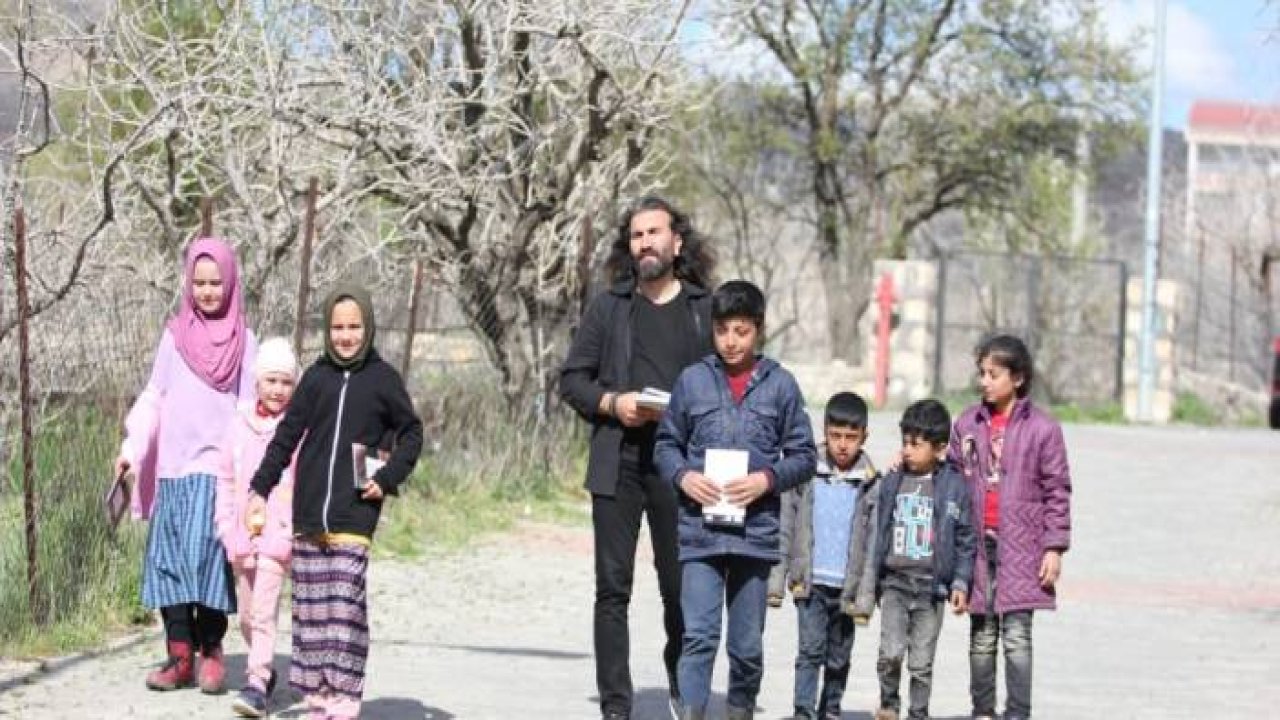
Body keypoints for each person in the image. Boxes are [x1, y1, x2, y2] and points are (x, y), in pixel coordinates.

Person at [559, 195, 716, 719]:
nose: (646, 242)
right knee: (612, 591)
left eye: (655, 232)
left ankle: (682, 687)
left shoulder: (703, 309)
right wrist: (613, 403)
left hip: (681, 468)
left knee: (679, 588)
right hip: (618, 462)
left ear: (677, 241)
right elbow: (572, 380)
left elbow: (725, 383)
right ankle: (615, 706)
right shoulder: (609, 307)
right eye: (637, 235)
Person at [247, 285, 423, 720]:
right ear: (327, 329)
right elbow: (287, 436)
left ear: (368, 327)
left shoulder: (383, 379)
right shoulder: (316, 378)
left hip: (354, 512)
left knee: (343, 613)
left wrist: (387, 478)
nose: (346, 336)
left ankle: (344, 699)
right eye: (338, 327)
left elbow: (412, 433)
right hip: (309, 515)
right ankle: (319, 697)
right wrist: (259, 488)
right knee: (312, 615)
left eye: (354, 326)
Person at [654, 279, 817, 720]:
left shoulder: (781, 386)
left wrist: (767, 479)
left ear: (758, 329)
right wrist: (684, 476)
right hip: (700, 534)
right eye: (722, 330)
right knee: (699, 636)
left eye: (741, 331)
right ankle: (692, 710)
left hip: (755, 536)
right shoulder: (692, 382)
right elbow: (666, 445)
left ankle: (740, 709)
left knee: (745, 646)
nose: (730, 341)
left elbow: (804, 455)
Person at [115, 237, 258, 694]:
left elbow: (249, 407)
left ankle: (211, 651)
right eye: (199, 283)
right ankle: (179, 655)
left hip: (217, 472)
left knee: (210, 559)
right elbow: (154, 397)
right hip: (172, 472)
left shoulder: (244, 341)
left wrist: (246, 471)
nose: (207, 291)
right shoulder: (174, 337)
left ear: (230, 283)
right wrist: (132, 448)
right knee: (169, 563)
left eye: (216, 282)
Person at [949, 335, 1072, 720]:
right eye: (982, 373)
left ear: (1017, 378)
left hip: (1023, 547)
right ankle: (983, 711)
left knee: (1017, 637)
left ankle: (1018, 712)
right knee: (981, 637)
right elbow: (950, 475)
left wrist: (1054, 547)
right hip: (976, 548)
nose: (984, 382)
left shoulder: (1043, 429)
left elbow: (1057, 489)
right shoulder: (967, 423)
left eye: (994, 374)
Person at [768, 391, 880, 720]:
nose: (842, 445)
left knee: (839, 657)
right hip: (810, 583)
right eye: (835, 435)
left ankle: (830, 708)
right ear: (824, 431)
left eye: (851, 437)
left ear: (864, 437)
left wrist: (866, 597)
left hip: (847, 588)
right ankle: (803, 712)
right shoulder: (806, 472)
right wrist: (776, 580)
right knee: (809, 652)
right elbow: (786, 524)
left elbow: (873, 544)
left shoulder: (871, 483)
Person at [872, 399, 975, 720]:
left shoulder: (954, 487)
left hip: (931, 590)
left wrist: (961, 582)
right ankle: (889, 704)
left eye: (916, 445)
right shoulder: (893, 480)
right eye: (905, 442)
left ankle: (918, 713)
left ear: (940, 448)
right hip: (894, 584)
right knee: (889, 654)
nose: (907, 451)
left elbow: (966, 539)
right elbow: (876, 526)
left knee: (921, 663)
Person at [215, 337, 299, 717]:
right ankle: (264, 670)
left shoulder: (296, 430)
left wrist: (293, 525)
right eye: (271, 381)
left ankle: (256, 683)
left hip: (278, 535)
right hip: (242, 536)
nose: (278, 390)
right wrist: (224, 523)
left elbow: (303, 480)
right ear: (257, 382)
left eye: (286, 382)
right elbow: (225, 478)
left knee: (264, 612)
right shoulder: (239, 425)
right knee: (248, 617)